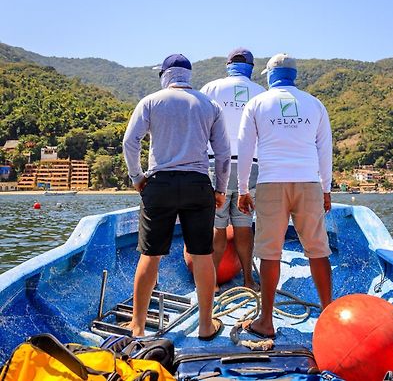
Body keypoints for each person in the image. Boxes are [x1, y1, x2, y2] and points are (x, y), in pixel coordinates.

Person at [123, 54, 231, 340]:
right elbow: (222, 153)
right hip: (198, 184)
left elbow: (129, 142)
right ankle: (206, 326)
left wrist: (137, 178)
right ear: (188, 75)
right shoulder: (210, 104)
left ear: (166, 75)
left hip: (159, 184)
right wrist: (220, 189)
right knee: (202, 255)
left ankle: (137, 325)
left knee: (150, 255)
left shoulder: (150, 101)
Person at [237, 53, 333, 339]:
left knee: (270, 253)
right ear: (295, 75)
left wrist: (243, 189)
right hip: (308, 183)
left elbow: (244, 149)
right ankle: (328, 315)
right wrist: (325, 188)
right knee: (318, 249)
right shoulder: (315, 104)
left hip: (271, 184)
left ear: (269, 76)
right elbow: (324, 150)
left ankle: (266, 320)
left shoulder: (256, 103)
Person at [200, 48, 265, 291]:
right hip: (252, 166)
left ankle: (213, 282)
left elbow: (201, 127)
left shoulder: (210, 89)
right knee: (244, 225)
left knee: (217, 226)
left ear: (228, 65)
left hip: (217, 163)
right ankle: (248, 280)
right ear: (251, 67)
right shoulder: (261, 93)